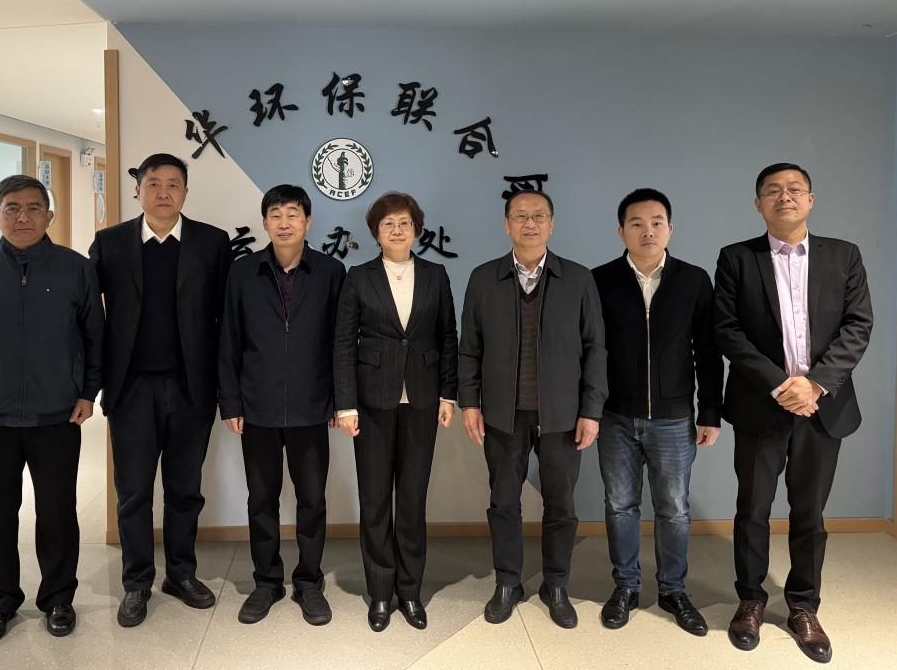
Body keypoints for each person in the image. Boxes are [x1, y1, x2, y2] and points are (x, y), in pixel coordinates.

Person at [715, 163, 872, 664]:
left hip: (823, 407)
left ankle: (804, 607)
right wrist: (782, 384)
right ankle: (750, 601)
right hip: (761, 404)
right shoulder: (737, 258)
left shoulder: (843, 255)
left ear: (810, 199)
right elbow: (727, 330)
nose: (784, 197)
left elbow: (858, 324)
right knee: (752, 510)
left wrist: (815, 384)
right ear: (758, 204)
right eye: (773, 191)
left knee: (810, 513)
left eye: (794, 189)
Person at [0, 174, 103, 646]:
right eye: (12, 208)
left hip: (57, 415)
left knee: (57, 513)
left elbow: (95, 336)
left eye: (34, 208)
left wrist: (87, 392)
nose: (23, 217)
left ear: (49, 216)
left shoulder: (75, 269)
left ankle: (58, 598)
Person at [88, 153, 231, 627]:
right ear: (138, 190)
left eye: (173, 184)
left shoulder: (212, 243)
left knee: (185, 490)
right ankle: (136, 582)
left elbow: (227, 319)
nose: (163, 192)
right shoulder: (110, 243)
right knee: (132, 492)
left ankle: (181, 574)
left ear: (186, 192)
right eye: (154, 183)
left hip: (192, 388)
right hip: (131, 389)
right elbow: (87, 315)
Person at [458, 191, 608, 630]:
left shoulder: (577, 278)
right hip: (503, 414)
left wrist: (591, 409)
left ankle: (556, 584)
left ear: (551, 224)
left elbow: (595, 348)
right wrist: (470, 402)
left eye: (539, 216)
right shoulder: (483, 278)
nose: (530, 223)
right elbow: (469, 348)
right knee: (503, 501)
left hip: (563, 415)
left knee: (561, 504)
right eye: (520, 216)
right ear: (506, 224)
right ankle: (507, 581)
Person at [591, 188, 723, 636]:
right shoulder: (600, 280)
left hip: (674, 418)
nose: (647, 231)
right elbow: (589, 351)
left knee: (674, 508)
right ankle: (625, 587)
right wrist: (589, 409)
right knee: (620, 506)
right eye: (636, 223)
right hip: (614, 416)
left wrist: (710, 412)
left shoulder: (693, 280)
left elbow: (708, 351)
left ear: (670, 228)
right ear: (621, 231)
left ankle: (673, 590)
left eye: (656, 223)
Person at [218, 184, 346, 626]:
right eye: (276, 214)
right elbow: (228, 338)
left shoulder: (330, 271)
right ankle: (267, 581)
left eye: (293, 214)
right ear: (265, 222)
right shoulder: (243, 272)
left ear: (308, 222)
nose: (285, 222)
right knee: (261, 499)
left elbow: (341, 341)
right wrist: (230, 401)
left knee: (312, 499)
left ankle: (309, 581)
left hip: (313, 406)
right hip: (258, 406)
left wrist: (340, 400)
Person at [333, 191, 459, 632]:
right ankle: (381, 594)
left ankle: (410, 591)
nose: (397, 229)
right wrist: (345, 405)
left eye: (404, 222)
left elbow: (448, 337)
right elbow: (344, 343)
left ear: (416, 229)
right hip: (370, 404)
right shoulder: (359, 277)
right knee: (374, 503)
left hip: (422, 402)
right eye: (388, 223)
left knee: (411, 502)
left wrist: (448, 396)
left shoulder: (435, 275)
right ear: (376, 232)